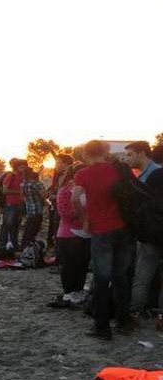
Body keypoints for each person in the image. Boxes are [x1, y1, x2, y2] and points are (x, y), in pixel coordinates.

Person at [72, 140, 134, 339]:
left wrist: (84, 220)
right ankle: (124, 322)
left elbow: (75, 199)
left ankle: (102, 327)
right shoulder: (118, 170)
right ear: (105, 152)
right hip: (124, 229)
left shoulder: (83, 174)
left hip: (101, 230)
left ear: (85, 154)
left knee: (101, 279)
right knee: (121, 278)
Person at [122, 141, 163, 317]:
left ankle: (135, 310)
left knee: (143, 274)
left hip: (150, 233)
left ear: (143, 153)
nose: (127, 159)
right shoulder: (149, 173)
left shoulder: (154, 175)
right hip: (150, 232)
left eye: (130, 154)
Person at [49, 164, 90, 307]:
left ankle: (78, 290)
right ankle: (69, 292)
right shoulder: (65, 191)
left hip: (87, 234)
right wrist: (85, 214)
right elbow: (64, 213)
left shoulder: (91, 191)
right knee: (69, 266)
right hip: (69, 234)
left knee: (82, 265)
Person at [0, 159, 25, 251]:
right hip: (10, 204)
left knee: (16, 226)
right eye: (21, 166)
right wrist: (19, 192)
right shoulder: (10, 176)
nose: (24, 167)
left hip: (20, 204)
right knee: (7, 225)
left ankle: (14, 245)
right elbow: (4, 190)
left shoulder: (22, 176)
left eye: (25, 166)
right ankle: (2, 246)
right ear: (16, 166)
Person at [46, 155, 74, 249]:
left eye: (58, 162)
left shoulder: (72, 175)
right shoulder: (58, 175)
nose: (56, 165)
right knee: (56, 227)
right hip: (57, 205)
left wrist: (56, 196)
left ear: (65, 164)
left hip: (67, 207)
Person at [20, 167, 47, 249]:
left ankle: (24, 247)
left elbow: (22, 197)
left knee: (28, 230)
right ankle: (29, 249)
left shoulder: (23, 184)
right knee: (34, 230)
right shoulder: (38, 184)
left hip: (29, 210)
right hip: (38, 210)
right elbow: (44, 195)